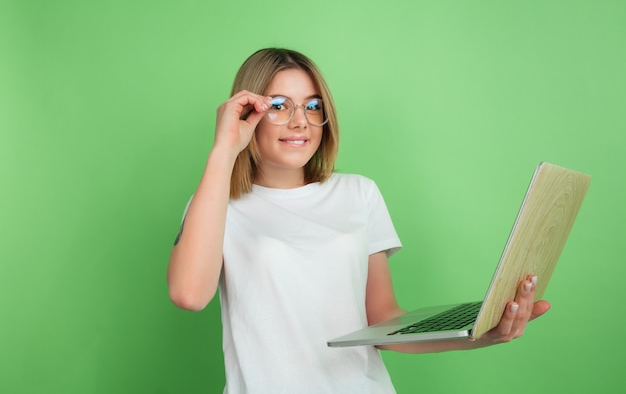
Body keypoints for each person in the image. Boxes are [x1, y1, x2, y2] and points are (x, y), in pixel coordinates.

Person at [166, 48, 551, 394]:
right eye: (280, 105)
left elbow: (383, 322)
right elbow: (189, 294)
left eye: (313, 106)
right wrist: (224, 150)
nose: (300, 122)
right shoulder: (215, 205)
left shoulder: (358, 193)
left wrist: (484, 331)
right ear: (249, 113)